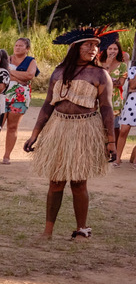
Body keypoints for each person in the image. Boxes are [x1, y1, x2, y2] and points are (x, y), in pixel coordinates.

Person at [23, 27, 117, 241]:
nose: (93, 49)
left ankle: (82, 228)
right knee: (55, 181)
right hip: (58, 128)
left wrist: (111, 140)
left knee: (78, 182)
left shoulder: (101, 74)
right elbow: (47, 104)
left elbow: (107, 108)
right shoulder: (58, 72)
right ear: (76, 47)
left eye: (96, 45)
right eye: (88, 44)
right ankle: (48, 231)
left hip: (85, 130)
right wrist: (35, 133)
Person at [2, 38, 39, 165]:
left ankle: (7, 155)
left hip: (20, 97)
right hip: (2, 95)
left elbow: (29, 76)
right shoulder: (6, 59)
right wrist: (18, 78)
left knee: (12, 126)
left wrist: (11, 73)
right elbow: (1, 74)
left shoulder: (31, 61)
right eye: (16, 45)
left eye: (20, 46)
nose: (17, 47)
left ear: (27, 48)